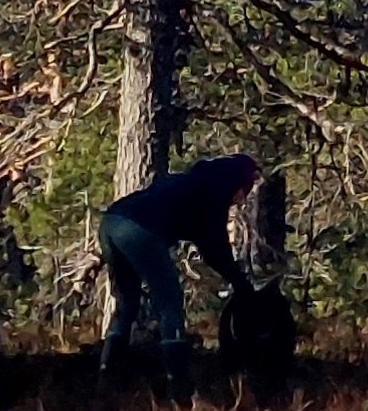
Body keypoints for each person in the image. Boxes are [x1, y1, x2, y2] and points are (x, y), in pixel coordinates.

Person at [99, 150, 265, 374]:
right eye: (247, 188)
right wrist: (240, 283)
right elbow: (215, 247)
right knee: (170, 303)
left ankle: (106, 376)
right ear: (240, 182)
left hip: (111, 221)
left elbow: (209, 244)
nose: (244, 197)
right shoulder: (214, 193)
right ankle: (178, 385)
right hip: (139, 228)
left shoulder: (195, 182)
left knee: (127, 301)